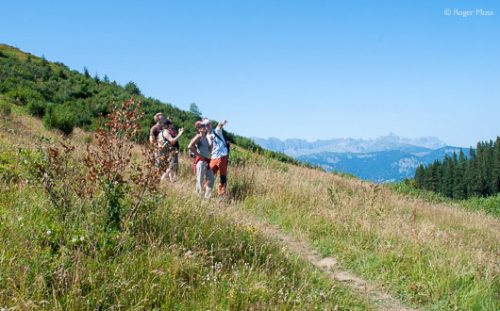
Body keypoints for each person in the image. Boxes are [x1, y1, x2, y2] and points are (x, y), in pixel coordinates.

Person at [188, 120, 214, 198]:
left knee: (211, 179)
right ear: (199, 129)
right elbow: (190, 146)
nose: (205, 127)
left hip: (207, 161)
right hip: (201, 161)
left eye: (204, 126)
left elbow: (209, 151)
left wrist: (212, 142)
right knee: (200, 180)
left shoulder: (206, 138)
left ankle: (207, 197)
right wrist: (199, 155)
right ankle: (199, 197)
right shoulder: (198, 136)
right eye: (202, 127)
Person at [209, 119, 229, 197]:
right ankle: (206, 192)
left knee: (222, 177)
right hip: (213, 157)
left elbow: (219, 126)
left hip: (222, 156)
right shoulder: (206, 136)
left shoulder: (217, 132)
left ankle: (221, 194)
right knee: (209, 175)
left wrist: (222, 122)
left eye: (208, 126)